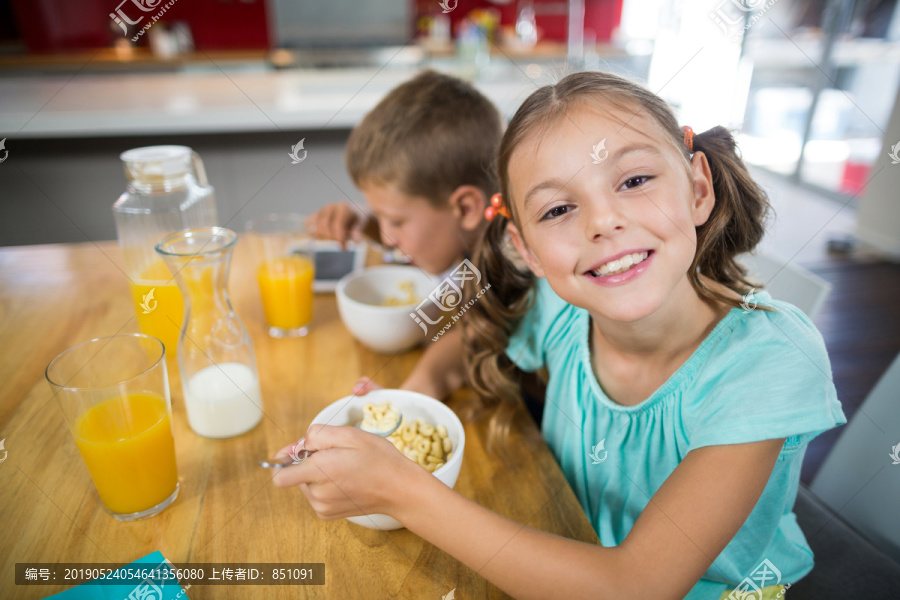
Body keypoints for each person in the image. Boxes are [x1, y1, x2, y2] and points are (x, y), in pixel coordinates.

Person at [273, 71, 846, 599]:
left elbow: (635, 586)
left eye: (635, 179)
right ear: (528, 253)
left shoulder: (766, 362)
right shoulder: (560, 307)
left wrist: (402, 491)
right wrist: (405, 403)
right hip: (567, 544)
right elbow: (470, 334)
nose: (602, 222)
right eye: (557, 210)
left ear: (697, 188)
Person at [308, 69, 502, 398]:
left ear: (467, 208)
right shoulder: (471, 224)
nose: (388, 237)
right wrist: (362, 216)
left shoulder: (514, 255)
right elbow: (426, 224)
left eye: (396, 221)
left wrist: (409, 396)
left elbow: (473, 338)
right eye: (381, 216)